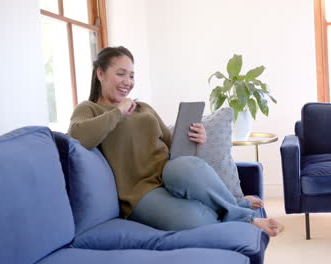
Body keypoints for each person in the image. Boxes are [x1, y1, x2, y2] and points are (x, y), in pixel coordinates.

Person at [68, 46, 283, 237]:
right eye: (121, 74)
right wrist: (118, 111)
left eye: (132, 75)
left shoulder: (143, 108)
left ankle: (245, 216)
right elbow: (78, 136)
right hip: (140, 192)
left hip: (171, 172)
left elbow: (172, 143)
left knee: (188, 164)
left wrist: (197, 139)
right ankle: (234, 205)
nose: (128, 82)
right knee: (197, 220)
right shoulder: (89, 109)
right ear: (100, 73)